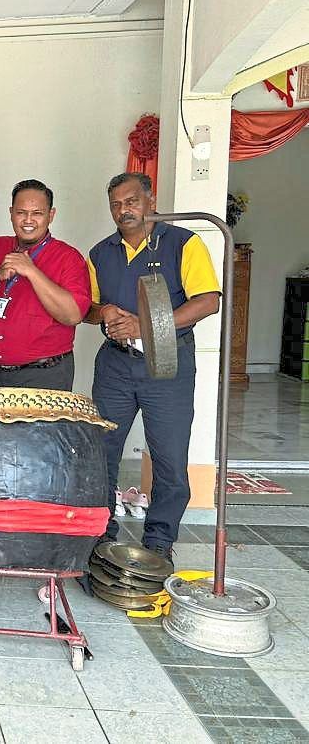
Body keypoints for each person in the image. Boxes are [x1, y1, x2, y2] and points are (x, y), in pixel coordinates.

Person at [86, 172, 220, 560]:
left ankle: (159, 543)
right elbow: (89, 308)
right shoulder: (101, 252)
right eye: (115, 204)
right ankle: (100, 534)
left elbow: (208, 301)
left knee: (169, 457)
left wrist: (145, 324)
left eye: (131, 201)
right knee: (102, 452)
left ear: (150, 199)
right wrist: (103, 312)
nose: (123, 210)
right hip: (115, 365)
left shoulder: (182, 243)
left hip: (168, 365)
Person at [0, 179, 91, 391]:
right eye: (21, 212)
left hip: (43, 376)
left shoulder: (68, 257)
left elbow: (73, 315)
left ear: (51, 215)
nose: (28, 220)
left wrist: (31, 270)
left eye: (37, 213)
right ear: (11, 213)